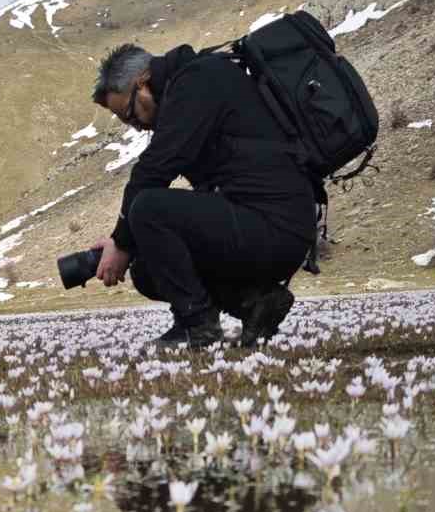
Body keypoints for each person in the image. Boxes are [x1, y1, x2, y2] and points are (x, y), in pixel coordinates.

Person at [90, 42, 317, 347]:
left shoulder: (197, 81)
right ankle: (257, 303)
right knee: (145, 268)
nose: (138, 127)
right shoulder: (189, 85)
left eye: (131, 115)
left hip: (276, 226)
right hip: (257, 223)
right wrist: (125, 245)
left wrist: (120, 242)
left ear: (142, 82)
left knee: (148, 209)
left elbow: (153, 170)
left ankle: (197, 325)